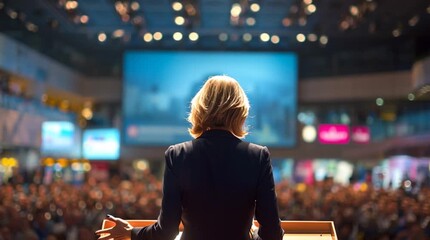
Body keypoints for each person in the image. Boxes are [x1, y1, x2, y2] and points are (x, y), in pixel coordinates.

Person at [95, 75, 284, 240]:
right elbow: (273, 234)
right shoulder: (258, 156)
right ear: (240, 110)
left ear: (200, 108)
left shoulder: (178, 155)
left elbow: (166, 232)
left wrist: (131, 233)